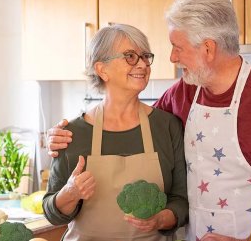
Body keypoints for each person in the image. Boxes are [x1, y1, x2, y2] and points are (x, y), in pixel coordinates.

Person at [46, 0, 251, 241]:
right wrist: (60, 135)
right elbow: (130, 118)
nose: (172, 58)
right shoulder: (184, 94)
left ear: (208, 50)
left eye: (178, 47)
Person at [43, 23, 189, 241]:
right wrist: (70, 193)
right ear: (102, 70)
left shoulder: (167, 126)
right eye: (130, 56)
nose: (142, 65)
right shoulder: (71, 133)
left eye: (145, 56)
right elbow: (51, 212)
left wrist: (159, 219)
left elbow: (181, 200)